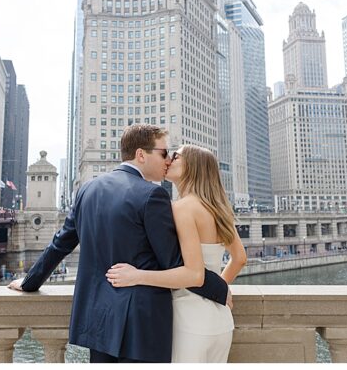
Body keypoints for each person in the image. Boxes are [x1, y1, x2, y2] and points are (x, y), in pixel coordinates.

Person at [7, 125, 229, 363]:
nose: (167, 160)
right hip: (142, 327)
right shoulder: (153, 195)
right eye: (164, 153)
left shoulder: (87, 190)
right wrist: (220, 288)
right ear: (141, 154)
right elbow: (174, 262)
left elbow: (61, 244)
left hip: (97, 323)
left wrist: (31, 282)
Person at [106, 144, 247, 363]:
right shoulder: (220, 209)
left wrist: (137, 275)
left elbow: (192, 274)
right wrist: (219, 288)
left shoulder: (182, 208)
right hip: (221, 321)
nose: (169, 160)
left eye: (176, 156)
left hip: (189, 321)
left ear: (192, 166)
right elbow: (240, 259)